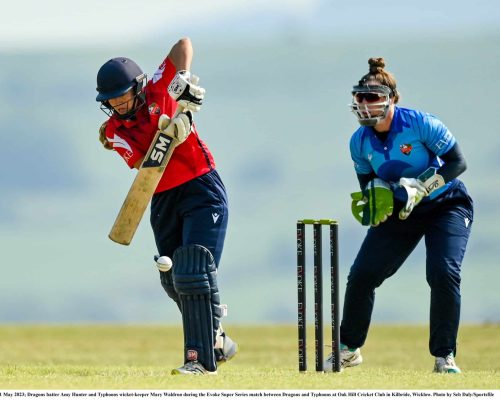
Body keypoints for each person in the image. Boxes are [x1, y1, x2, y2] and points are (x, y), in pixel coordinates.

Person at [95, 37, 237, 375]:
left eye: (122, 95)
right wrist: (171, 136)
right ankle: (217, 336)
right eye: (111, 100)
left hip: (202, 188)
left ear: (137, 86)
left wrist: (184, 79)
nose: (117, 103)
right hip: (160, 196)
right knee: (173, 279)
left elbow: (182, 44)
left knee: (195, 271)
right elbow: (149, 165)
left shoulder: (161, 88)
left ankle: (200, 361)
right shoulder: (114, 131)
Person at [324, 57, 473, 373]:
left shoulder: (421, 123)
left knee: (443, 273)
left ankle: (444, 357)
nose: (364, 104)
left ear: (391, 99)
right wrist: (373, 203)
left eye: (372, 97)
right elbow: (367, 183)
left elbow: (457, 162)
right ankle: (348, 349)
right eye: (359, 97)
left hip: (445, 204)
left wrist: (422, 186)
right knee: (363, 275)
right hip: (401, 211)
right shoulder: (359, 142)